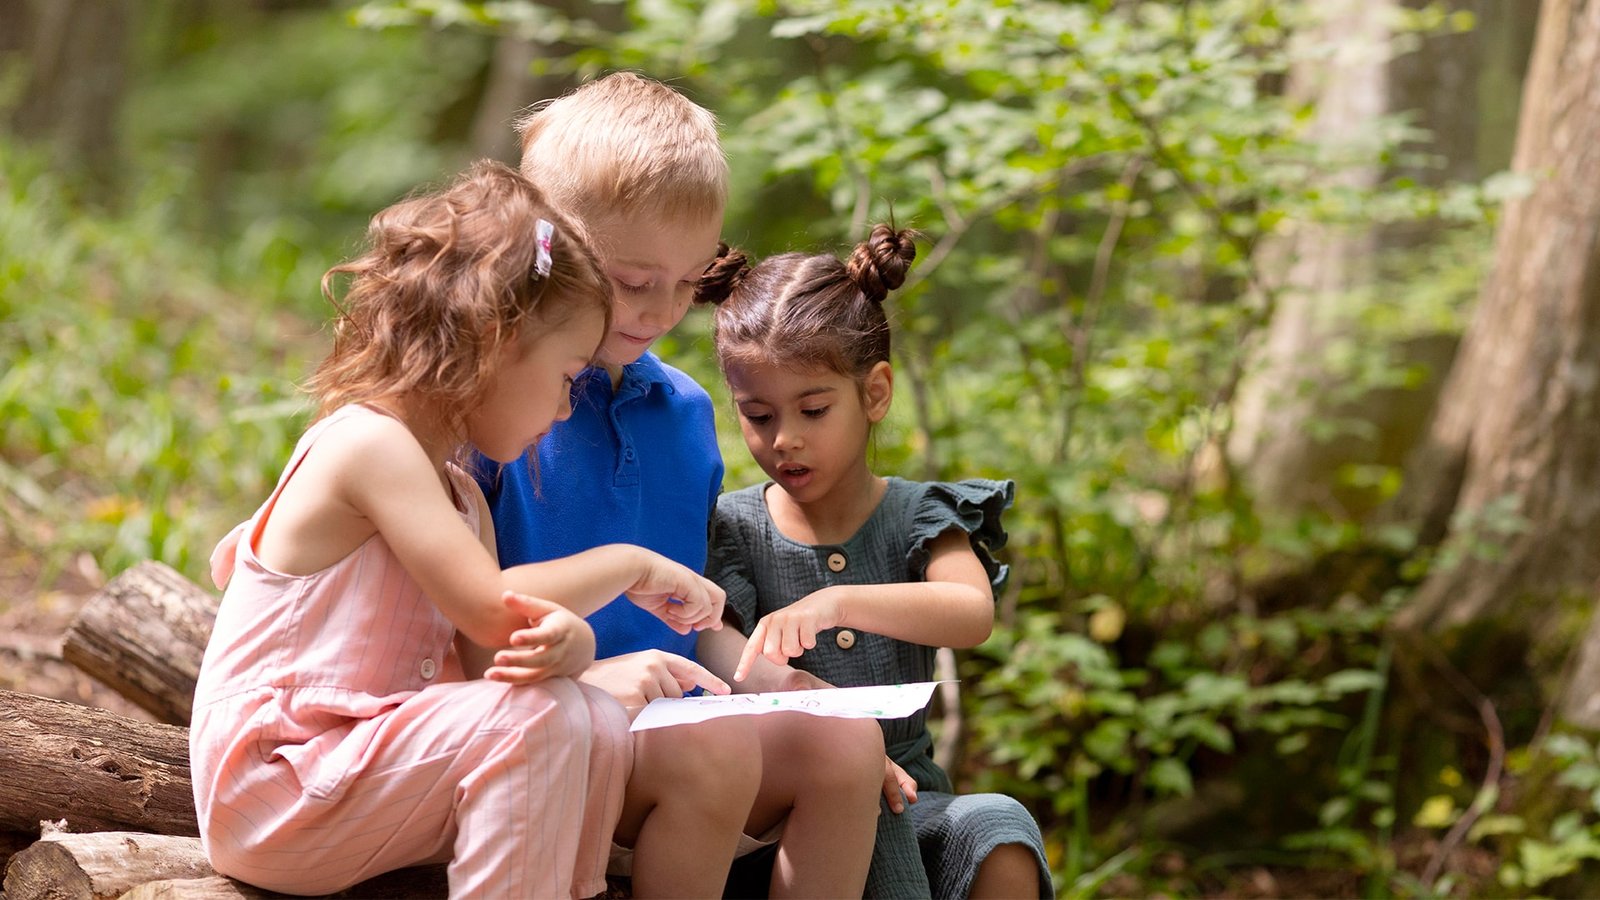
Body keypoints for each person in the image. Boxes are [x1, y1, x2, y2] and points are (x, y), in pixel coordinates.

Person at [192, 161, 727, 898]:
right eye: (566, 378)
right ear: (493, 345)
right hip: (278, 782)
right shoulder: (367, 445)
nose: (567, 409)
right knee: (537, 722)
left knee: (593, 717)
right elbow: (491, 604)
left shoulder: (461, 497)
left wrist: (567, 646)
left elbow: (491, 654)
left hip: (362, 773)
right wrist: (631, 564)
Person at [476, 72, 886, 898]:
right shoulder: (494, 404)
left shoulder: (685, 413)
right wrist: (583, 682)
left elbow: (682, 620)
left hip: (677, 718)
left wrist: (763, 676)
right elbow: (451, 630)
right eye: (633, 282)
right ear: (545, 242)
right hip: (543, 721)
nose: (661, 312)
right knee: (713, 749)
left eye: (689, 283)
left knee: (848, 741)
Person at [698, 224, 1055, 899]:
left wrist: (838, 601)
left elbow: (970, 612)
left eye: (812, 409)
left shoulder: (920, 515)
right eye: (758, 415)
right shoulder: (734, 529)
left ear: (875, 394)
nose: (785, 439)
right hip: (790, 815)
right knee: (858, 780)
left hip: (918, 796)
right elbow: (719, 646)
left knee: (1000, 828)